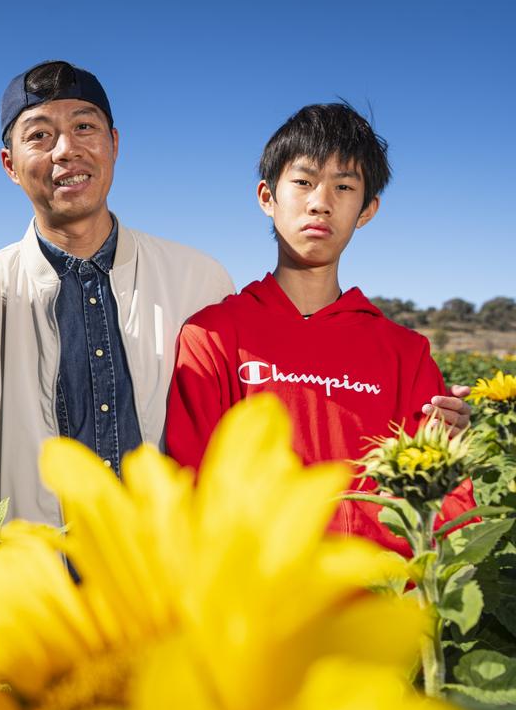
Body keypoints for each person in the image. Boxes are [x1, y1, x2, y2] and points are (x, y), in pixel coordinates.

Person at [164, 103, 475, 553]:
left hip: (375, 606)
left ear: (367, 210)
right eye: (304, 182)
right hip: (258, 605)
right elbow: (191, 487)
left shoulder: (405, 353)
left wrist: (446, 453)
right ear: (267, 197)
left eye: (343, 186)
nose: (320, 202)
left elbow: (443, 510)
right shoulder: (213, 336)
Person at [0, 60, 234, 528]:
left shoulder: (200, 282)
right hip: (34, 585)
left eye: (84, 127)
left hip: (170, 583)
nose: (66, 150)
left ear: (114, 145)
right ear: (9, 165)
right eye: (39, 135)